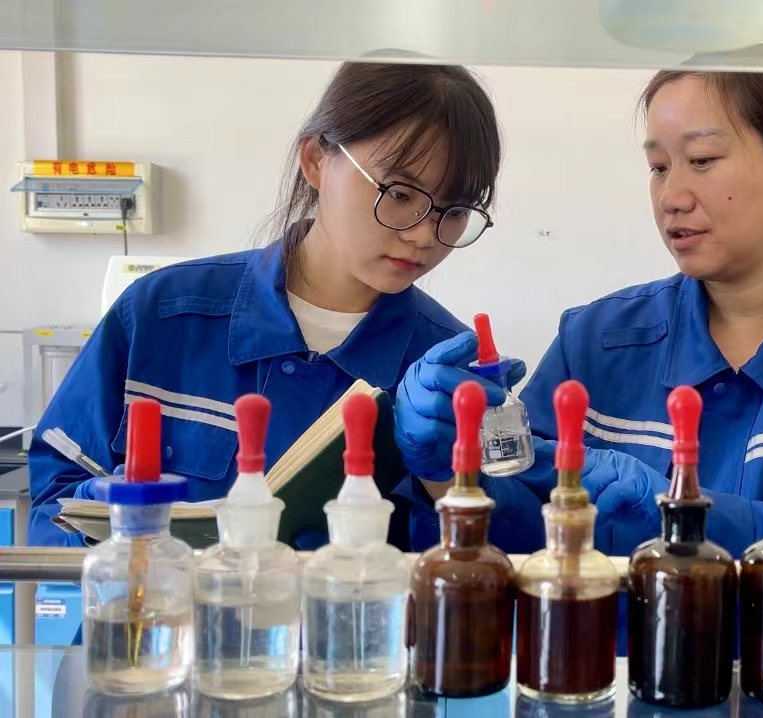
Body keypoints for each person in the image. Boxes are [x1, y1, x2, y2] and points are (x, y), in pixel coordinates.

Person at [394, 49, 763, 559]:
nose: (671, 197)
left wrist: (691, 516)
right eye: (659, 167)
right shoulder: (594, 344)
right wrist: (449, 472)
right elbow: (521, 539)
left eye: (702, 160)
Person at [28, 61, 513, 548]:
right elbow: (50, 508)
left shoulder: (447, 378)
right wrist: (112, 523)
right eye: (401, 194)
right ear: (316, 160)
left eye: (455, 210)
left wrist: (444, 482)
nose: (424, 235)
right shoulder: (161, 316)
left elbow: (492, 562)